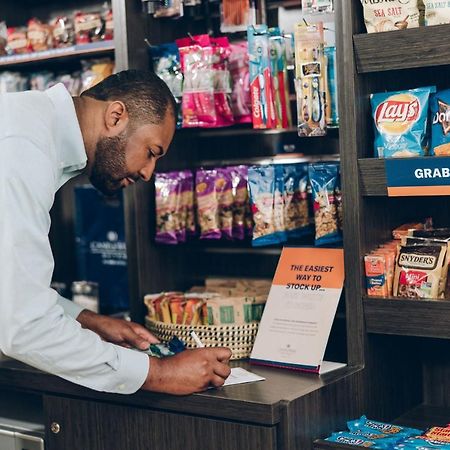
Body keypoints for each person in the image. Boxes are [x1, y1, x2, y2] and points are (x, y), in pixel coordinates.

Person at [0, 69, 232, 396]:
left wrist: (86, 320)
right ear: (116, 116)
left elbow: (9, 292)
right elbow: (24, 326)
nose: (148, 173)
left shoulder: (31, 128)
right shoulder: (24, 147)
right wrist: (160, 372)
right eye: (151, 152)